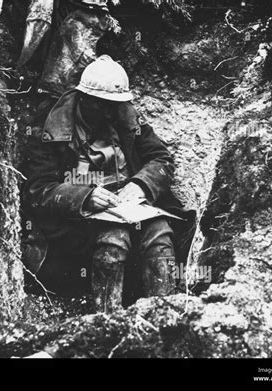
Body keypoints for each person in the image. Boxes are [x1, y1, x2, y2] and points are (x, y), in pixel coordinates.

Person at [22, 55, 194, 313]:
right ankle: (106, 320)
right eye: (100, 104)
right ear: (83, 98)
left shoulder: (125, 117)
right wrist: (84, 197)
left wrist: (140, 184)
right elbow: (38, 189)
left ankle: (164, 316)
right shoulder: (51, 127)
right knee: (114, 239)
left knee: (159, 232)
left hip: (132, 206)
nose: (107, 112)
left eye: (113, 105)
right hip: (79, 220)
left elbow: (160, 158)